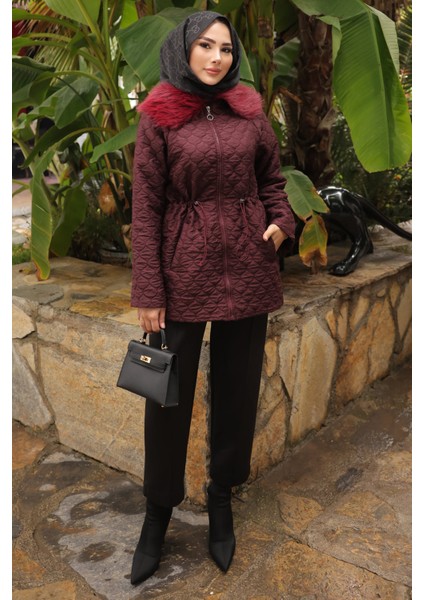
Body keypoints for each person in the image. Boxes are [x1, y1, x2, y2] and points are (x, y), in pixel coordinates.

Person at [130, 10, 295, 585]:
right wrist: (148, 288)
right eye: (205, 45)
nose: (217, 57)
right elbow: (146, 206)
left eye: (225, 48)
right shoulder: (159, 116)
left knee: (238, 390)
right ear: (184, 49)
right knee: (166, 401)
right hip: (183, 272)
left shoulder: (249, 109)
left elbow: (272, 180)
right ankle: (157, 514)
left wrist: (281, 222)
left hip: (249, 268)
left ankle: (221, 498)